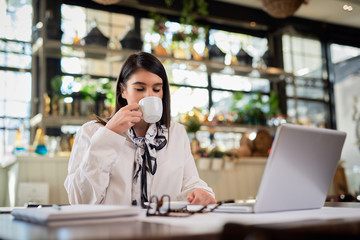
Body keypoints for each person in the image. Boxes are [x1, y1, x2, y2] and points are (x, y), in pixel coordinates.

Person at [64, 52, 216, 207]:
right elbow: (79, 200)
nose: (149, 96)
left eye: (157, 90)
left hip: (163, 229)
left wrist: (200, 193)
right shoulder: (91, 132)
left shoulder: (176, 133)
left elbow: (189, 183)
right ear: (123, 90)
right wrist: (109, 134)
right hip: (111, 229)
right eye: (140, 89)